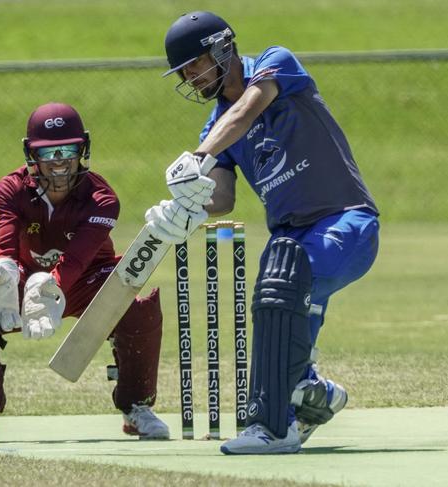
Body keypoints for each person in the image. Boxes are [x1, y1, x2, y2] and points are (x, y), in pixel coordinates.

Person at [145, 11, 379, 454]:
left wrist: (200, 153)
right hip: (290, 239)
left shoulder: (276, 63)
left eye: (194, 65)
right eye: (183, 72)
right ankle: (309, 397)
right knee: (280, 287)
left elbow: (250, 107)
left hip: (346, 222)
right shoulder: (216, 127)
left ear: (221, 49)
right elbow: (222, 197)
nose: (191, 79)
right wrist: (184, 208)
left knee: (283, 281)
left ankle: (272, 426)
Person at [0, 102, 169, 442]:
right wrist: (2, 271)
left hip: (88, 280)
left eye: (68, 150)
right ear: (31, 154)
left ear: (83, 149)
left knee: (136, 306)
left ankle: (137, 407)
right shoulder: (10, 189)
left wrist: (51, 287)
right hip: (27, 277)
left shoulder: (102, 198)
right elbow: (4, 243)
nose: (59, 161)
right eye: (48, 152)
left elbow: (78, 259)